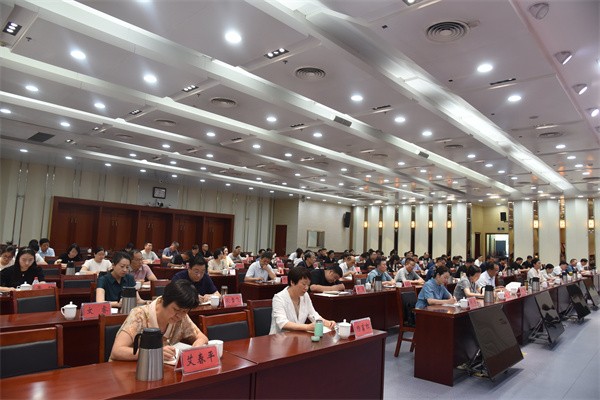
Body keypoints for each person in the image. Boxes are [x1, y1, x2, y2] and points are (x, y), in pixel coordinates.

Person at [110, 280, 208, 362]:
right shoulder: (140, 315)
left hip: (163, 371)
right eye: (176, 310)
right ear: (163, 301)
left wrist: (198, 345)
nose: (180, 316)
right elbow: (117, 351)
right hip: (131, 371)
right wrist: (155, 353)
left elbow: (202, 337)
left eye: (185, 311)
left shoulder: (182, 317)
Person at [270, 267, 336, 334]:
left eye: (308, 285)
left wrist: (326, 322)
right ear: (292, 282)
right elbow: (283, 323)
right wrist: (307, 327)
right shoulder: (279, 298)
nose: (306, 288)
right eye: (304, 284)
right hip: (280, 337)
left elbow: (313, 314)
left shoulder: (305, 295)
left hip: (298, 336)